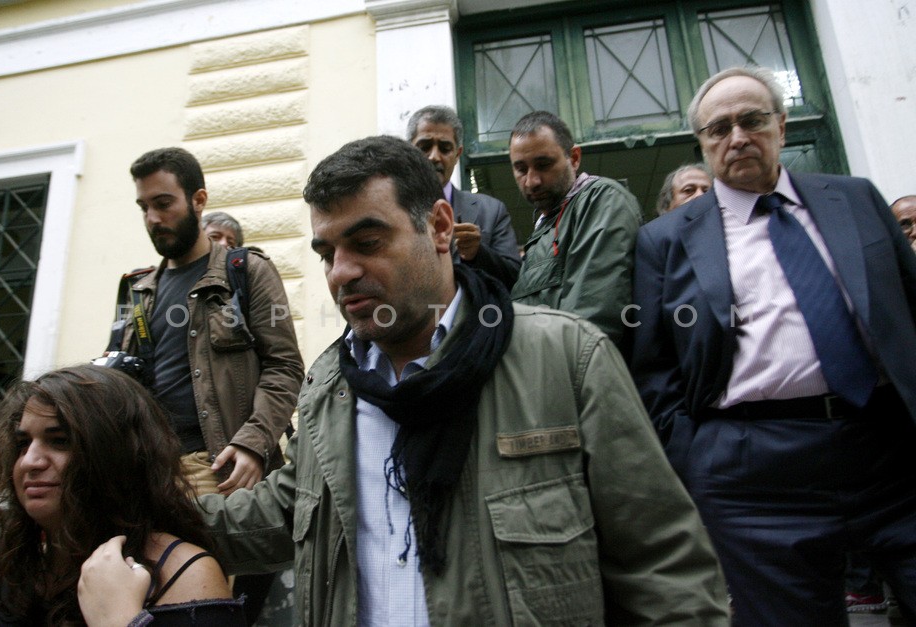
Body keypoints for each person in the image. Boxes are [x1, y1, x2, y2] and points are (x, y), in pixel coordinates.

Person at [197, 134, 729, 625]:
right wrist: (159, 515)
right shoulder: (328, 387)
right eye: (327, 253)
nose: (341, 272)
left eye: (368, 242)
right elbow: (288, 509)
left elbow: (666, 574)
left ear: (440, 227)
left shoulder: (567, 360)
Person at [629, 66, 916, 626]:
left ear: (781, 127)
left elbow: (909, 306)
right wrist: (695, 459)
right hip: (754, 478)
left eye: (752, 121)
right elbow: (653, 365)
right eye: (719, 129)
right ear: (703, 143)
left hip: (890, 450)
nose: (737, 137)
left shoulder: (855, 198)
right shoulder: (664, 240)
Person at [0, 365, 243, 626]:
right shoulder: (10, 570)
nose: (30, 461)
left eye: (60, 441)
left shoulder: (185, 575)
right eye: (23, 443)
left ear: (117, 454)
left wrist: (122, 620)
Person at [114, 147, 304, 497]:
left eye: (163, 204)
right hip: (148, 474)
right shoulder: (138, 291)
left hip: (221, 470)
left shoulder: (246, 271)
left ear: (198, 200)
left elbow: (285, 366)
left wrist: (254, 441)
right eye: (144, 208)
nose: (153, 218)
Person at [508, 110, 642, 349]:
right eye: (521, 169)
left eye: (543, 165)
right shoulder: (546, 224)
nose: (531, 181)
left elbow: (590, 324)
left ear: (574, 158)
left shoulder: (601, 200)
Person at [406, 105, 522, 288]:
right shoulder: (391, 211)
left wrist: (478, 253)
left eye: (445, 148)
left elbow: (515, 279)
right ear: (409, 151)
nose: (434, 156)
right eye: (424, 147)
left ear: (457, 154)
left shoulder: (491, 211)